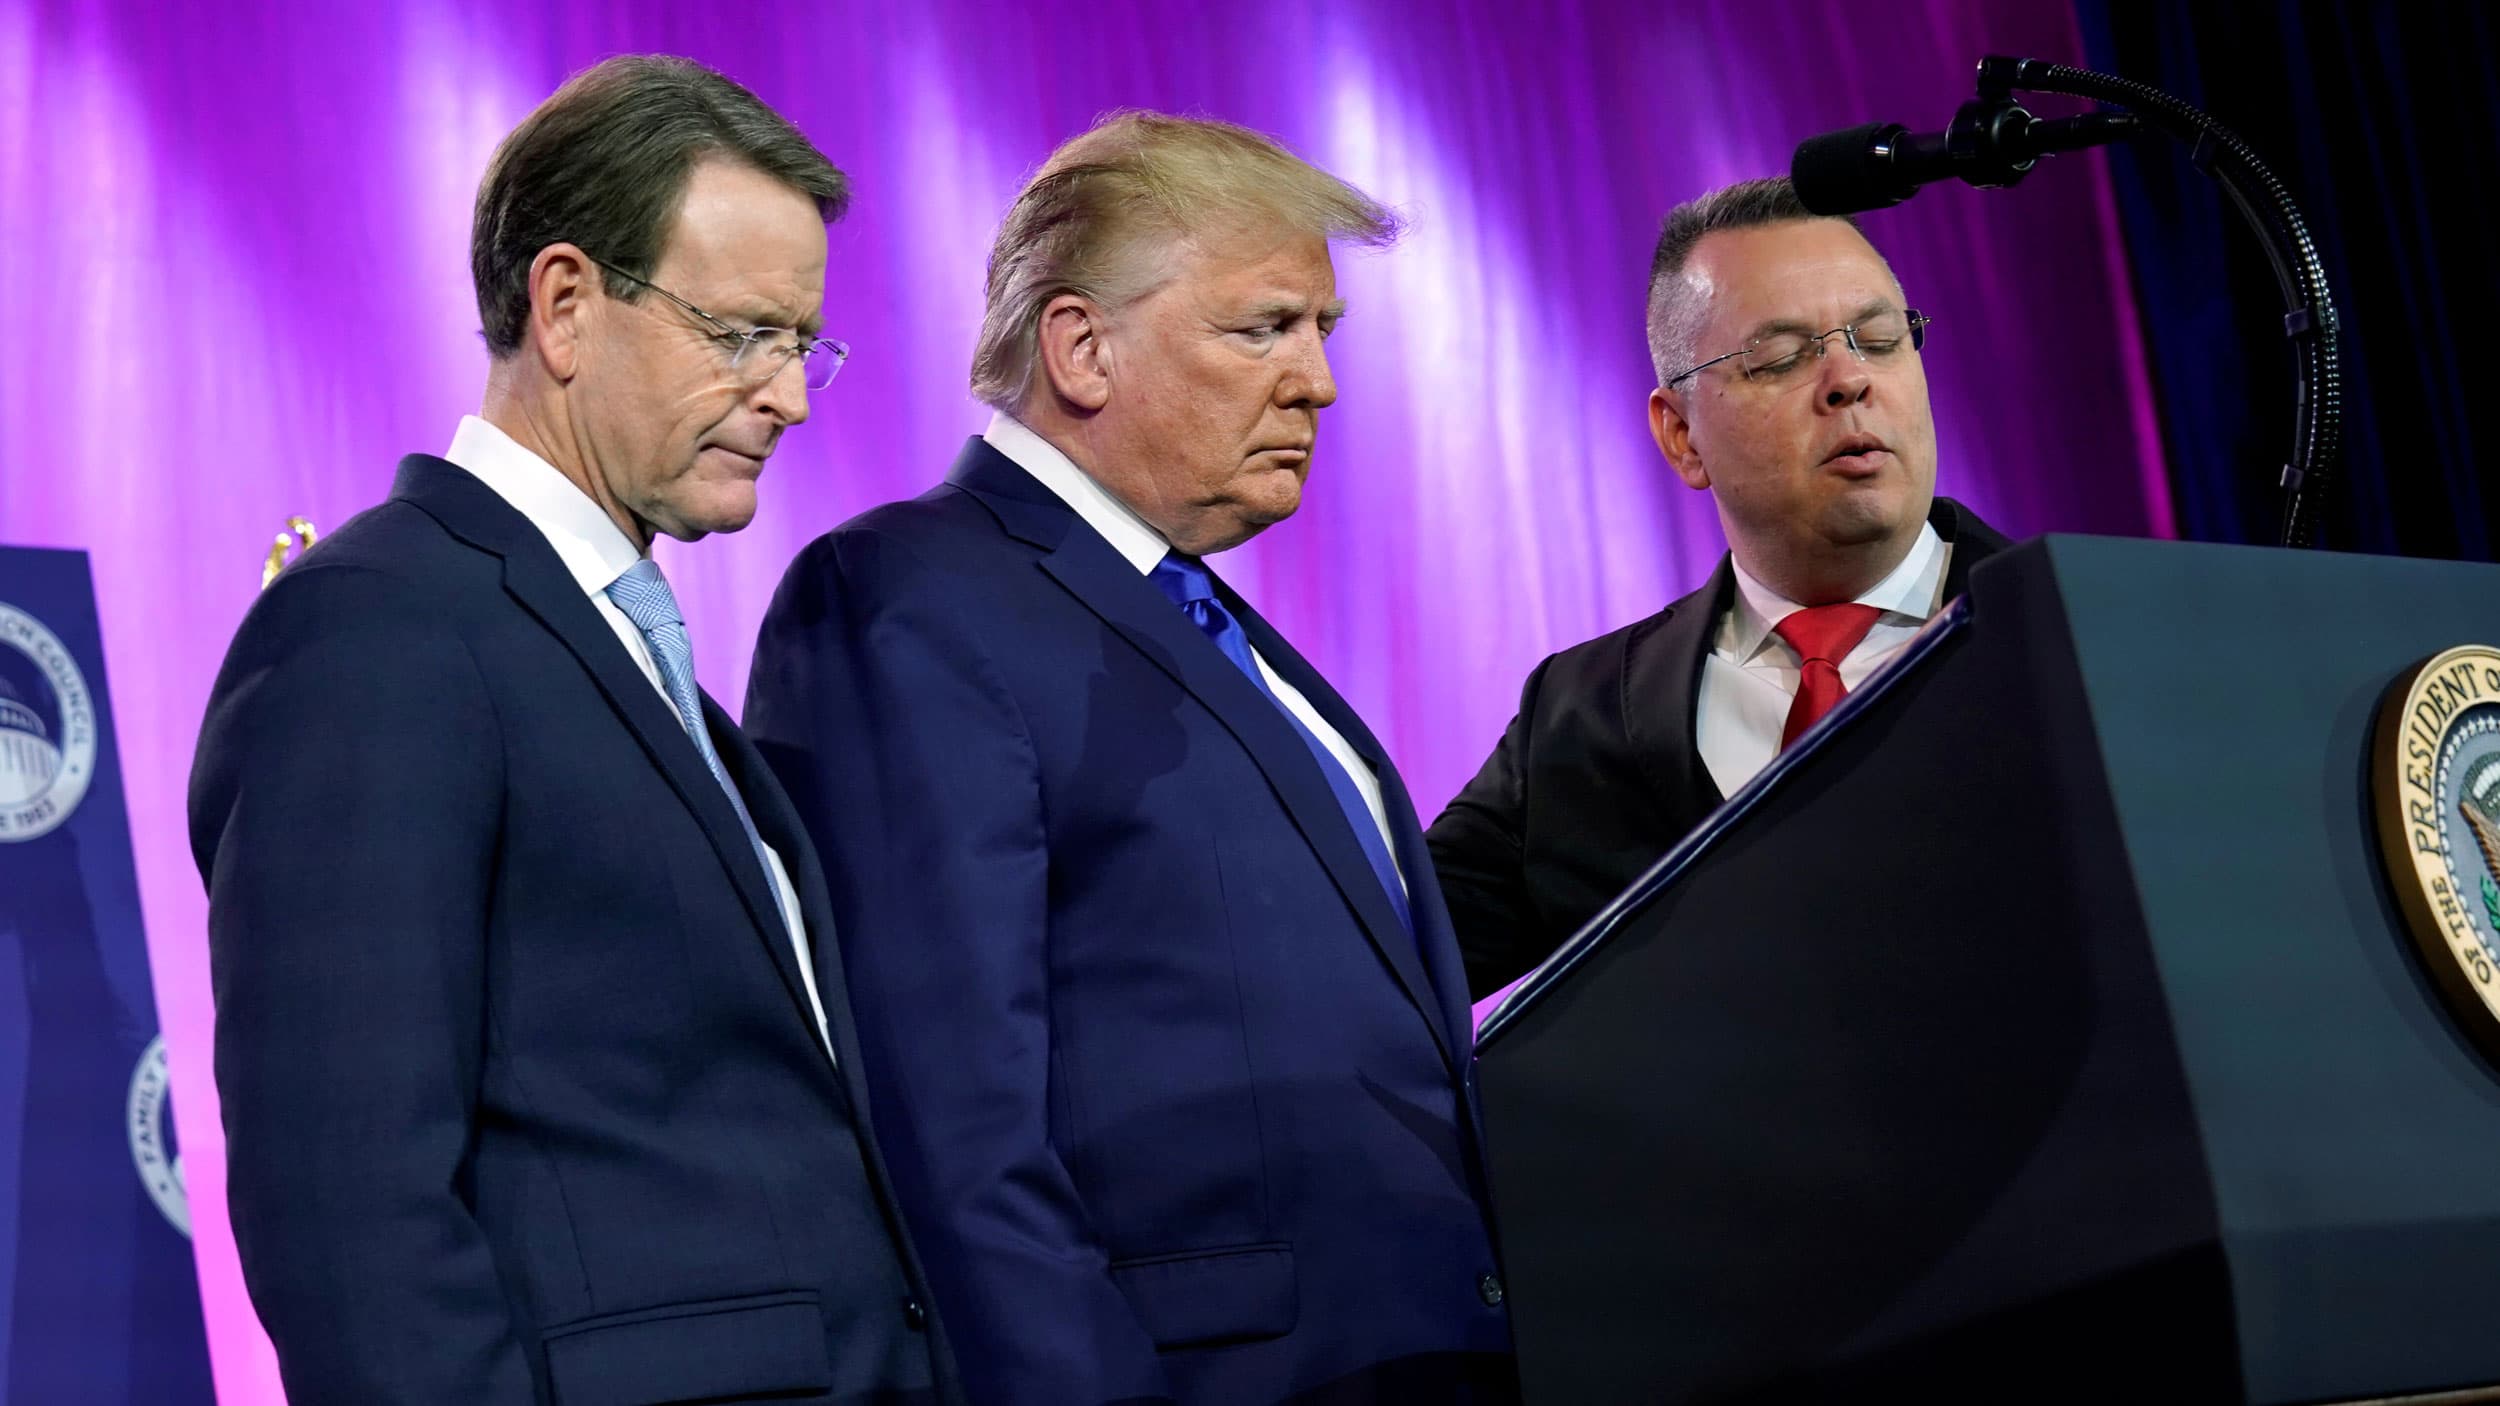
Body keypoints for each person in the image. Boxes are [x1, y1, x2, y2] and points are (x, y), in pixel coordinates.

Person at [189, 55, 955, 1405]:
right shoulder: (378, 628)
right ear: (565, 305)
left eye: (803, 346)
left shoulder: (619, 648)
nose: (786, 394)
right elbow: (348, 1206)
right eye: (740, 336)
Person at [745, 111, 1515, 1404]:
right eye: (1265, 326)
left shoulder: (1203, 623)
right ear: (1082, 346)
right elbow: (952, 1127)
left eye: (1324, 332)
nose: (1318, 380)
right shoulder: (908, 598)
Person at [1428, 176, 2012, 1000]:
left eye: (1880, 340)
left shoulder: (2094, 634)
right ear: (1681, 436)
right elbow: (1373, 956)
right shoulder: (1578, 722)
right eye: (1779, 358)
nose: (1849, 380)